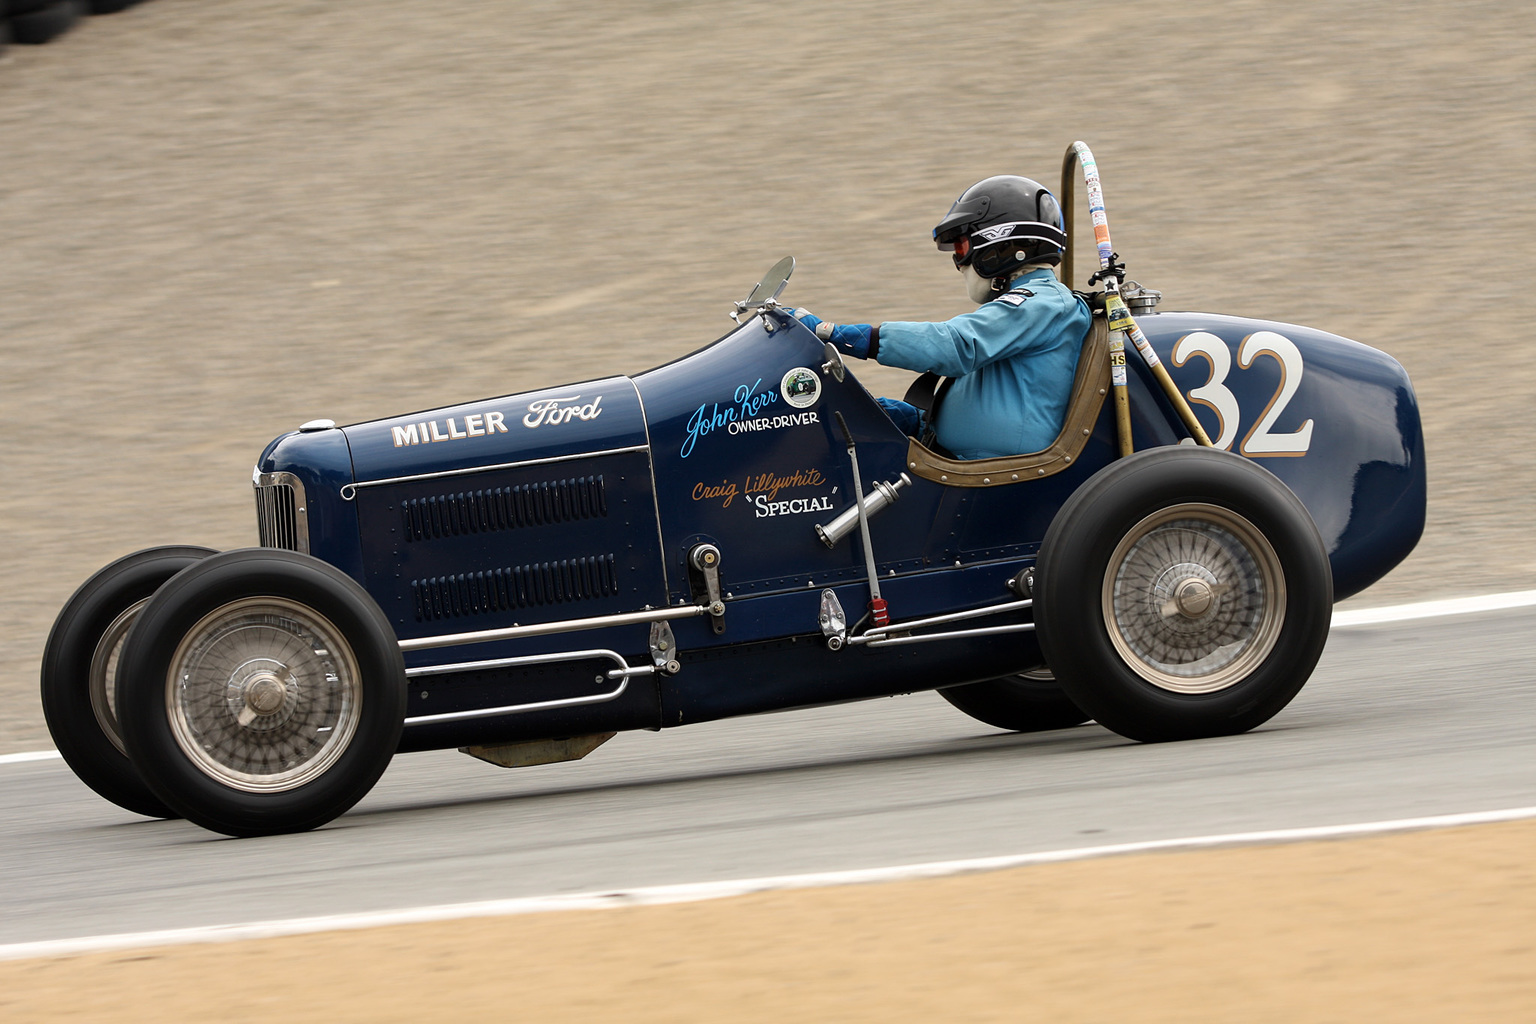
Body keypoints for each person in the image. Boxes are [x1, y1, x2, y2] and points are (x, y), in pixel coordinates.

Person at [794, 175, 1092, 460]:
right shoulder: (1033, 306)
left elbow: (955, 345)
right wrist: (919, 420)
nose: (959, 263)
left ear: (1002, 244)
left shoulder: (1041, 303)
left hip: (992, 475)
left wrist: (837, 334)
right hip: (958, 458)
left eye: (961, 247)